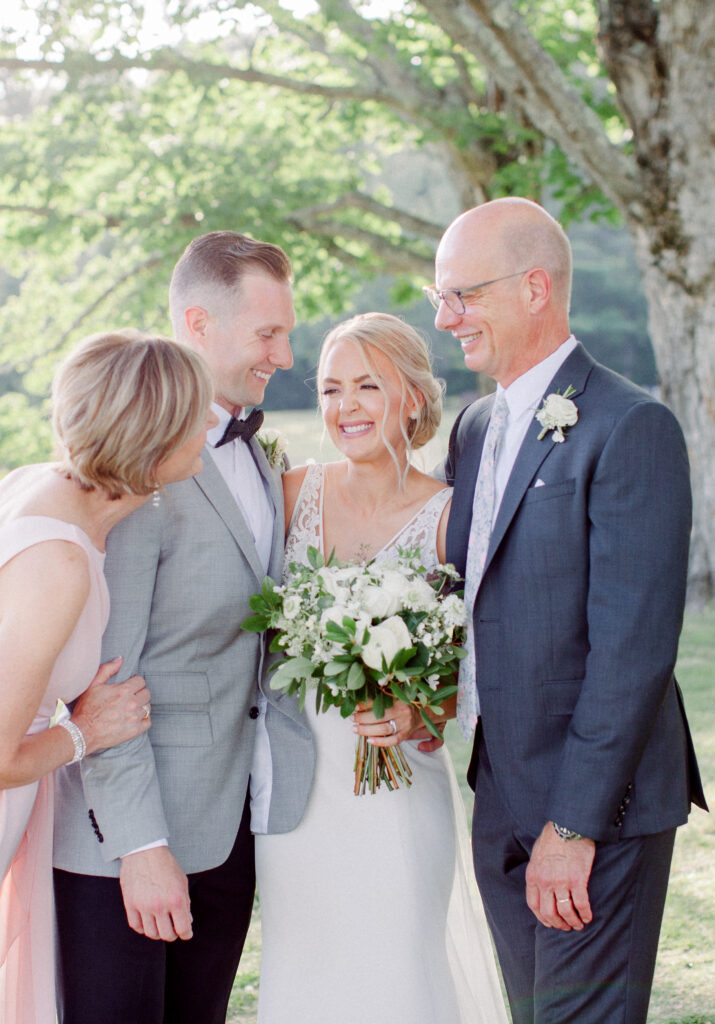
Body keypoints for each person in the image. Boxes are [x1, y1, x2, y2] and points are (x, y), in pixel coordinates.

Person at [430, 197, 708, 1023]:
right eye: (438, 296)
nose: (444, 318)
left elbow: (633, 651)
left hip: (595, 808)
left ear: (535, 288)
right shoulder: (475, 427)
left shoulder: (630, 427)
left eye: (462, 295)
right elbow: (470, 597)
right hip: (498, 794)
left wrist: (574, 827)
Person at [0, 329, 215, 1024]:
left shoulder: (39, 488)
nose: (213, 420)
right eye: (198, 411)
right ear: (154, 438)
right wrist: (85, 732)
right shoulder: (55, 562)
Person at [53, 232, 315, 1024]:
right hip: (129, 844)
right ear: (197, 325)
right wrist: (139, 846)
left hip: (225, 825)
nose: (286, 354)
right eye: (267, 334)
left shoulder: (257, 455)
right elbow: (107, 674)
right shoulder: (135, 459)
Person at [254, 312, 508, 1024]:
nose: (346, 406)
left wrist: (423, 710)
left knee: (397, 976)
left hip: (398, 795)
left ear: (415, 400)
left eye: (368, 385)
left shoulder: (453, 517)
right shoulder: (290, 493)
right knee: (306, 974)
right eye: (332, 388)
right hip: (296, 807)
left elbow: (486, 658)